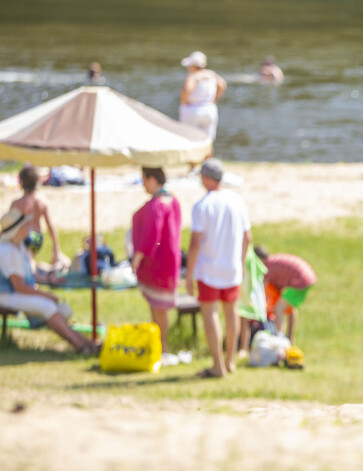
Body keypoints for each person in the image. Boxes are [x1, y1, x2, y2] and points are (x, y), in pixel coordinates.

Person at [0, 208, 97, 353]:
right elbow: (19, 286)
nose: (27, 228)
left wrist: (48, 278)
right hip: (2, 296)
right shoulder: (6, 252)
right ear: (16, 230)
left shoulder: (17, 246)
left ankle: (85, 343)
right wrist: (46, 295)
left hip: (12, 292)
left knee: (55, 308)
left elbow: (26, 276)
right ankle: (80, 345)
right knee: (47, 306)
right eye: (24, 225)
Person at [186, 158, 252, 378]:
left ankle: (217, 365)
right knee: (231, 313)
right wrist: (241, 264)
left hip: (209, 269)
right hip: (232, 267)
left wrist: (189, 274)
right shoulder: (237, 201)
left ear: (206, 178)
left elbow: (195, 244)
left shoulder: (202, 206)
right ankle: (230, 360)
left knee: (210, 313)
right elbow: (247, 237)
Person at [131, 167, 182, 366]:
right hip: (170, 261)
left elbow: (152, 236)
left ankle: (162, 346)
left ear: (152, 179)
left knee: (158, 307)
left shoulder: (157, 205)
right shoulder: (172, 201)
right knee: (158, 306)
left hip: (157, 263)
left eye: (144, 179)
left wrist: (137, 258)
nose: (143, 183)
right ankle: (160, 344)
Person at [254, 246, 316, 345]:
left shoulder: (266, 268)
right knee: (289, 308)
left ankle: (280, 340)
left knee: (278, 309)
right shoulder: (273, 262)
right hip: (307, 276)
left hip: (301, 280)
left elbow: (262, 289)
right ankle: (290, 338)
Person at [7, 165, 61, 265]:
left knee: (27, 261)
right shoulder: (42, 201)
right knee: (29, 258)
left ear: (21, 182)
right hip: (37, 237)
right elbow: (51, 226)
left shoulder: (17, 203)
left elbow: (8, 225)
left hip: (23, 236)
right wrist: (56, 247)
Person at [179, 51, 227, 155]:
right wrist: (215, 98)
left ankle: (192, 167)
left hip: (193, 109)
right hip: (209, 108)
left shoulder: (193, 77)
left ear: (193, 66)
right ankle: (208, 165)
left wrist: (184, 101)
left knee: (190, 139)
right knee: (208, 141)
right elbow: (222, 84)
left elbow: (187, 90)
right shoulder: (211, 74)